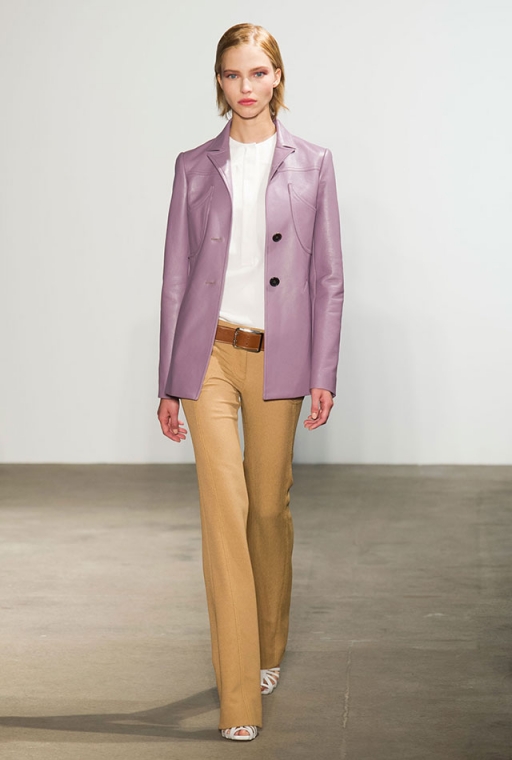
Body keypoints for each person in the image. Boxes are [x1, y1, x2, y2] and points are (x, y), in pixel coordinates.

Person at [157, 22, 344, 742]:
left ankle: (268, 646)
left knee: (267, 510)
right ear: (218, 81)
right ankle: (239, 697)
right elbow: (175, 278)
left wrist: (322, 369)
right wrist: (170, 378)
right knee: (224, 516)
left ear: (278, 77)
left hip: (279, 358)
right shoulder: (192, 166)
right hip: (207, 355)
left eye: (258, 73)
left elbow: (327, 278)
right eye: (233, 74)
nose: (246, 87)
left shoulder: (314, 163)